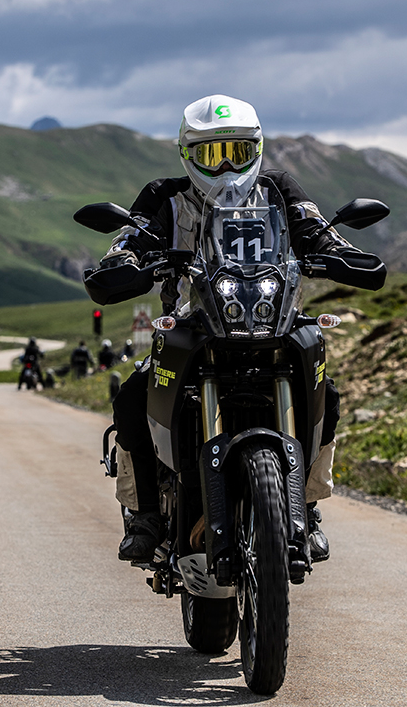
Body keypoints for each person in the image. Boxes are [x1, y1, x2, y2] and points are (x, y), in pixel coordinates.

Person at [105, 94, 356, 564]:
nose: (224, 169)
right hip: (192, 322)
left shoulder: (279, 189)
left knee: (327, 392)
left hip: (272, 317)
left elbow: (317, 229)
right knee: (133, 397)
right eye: (211, 155)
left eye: (236, 153)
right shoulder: (163, 197)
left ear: (256, 150)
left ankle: (307, 505)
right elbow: (131, 237)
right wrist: (123, 259)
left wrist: (340, 252)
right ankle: (145, 514)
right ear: (187, 154)